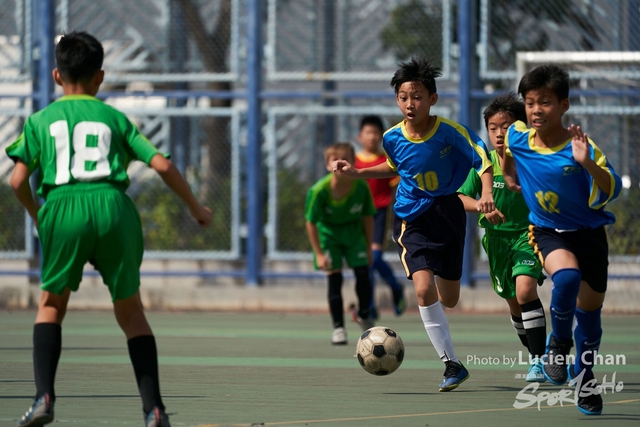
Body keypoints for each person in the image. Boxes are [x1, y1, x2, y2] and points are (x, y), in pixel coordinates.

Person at [6, 32, 212, 427]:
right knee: (131, 312)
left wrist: (38, 215)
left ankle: (43, 398)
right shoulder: (115, 118)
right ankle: (154, 410)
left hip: (63, 207)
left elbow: (17, 181)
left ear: (55, 75)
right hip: (114, 208)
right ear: (100, 77)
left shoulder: (39, 120)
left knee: (51, 305)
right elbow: (163, 166)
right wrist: (195, 207)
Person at [333, 57, 495, 392]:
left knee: (448, 298)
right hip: (412, 216)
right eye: (404, 97)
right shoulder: (392, 137)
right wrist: (358, 173)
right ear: (397, 100)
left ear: (432, 99)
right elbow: (395, 167)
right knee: (423, 289)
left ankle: (446, 339)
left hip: (448, 212)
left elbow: (483, 160)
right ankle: (451, 363)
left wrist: (488, 193)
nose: (410, 103)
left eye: (418, 96)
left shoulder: (450, 133)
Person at [501, 64, 622, 415]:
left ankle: (584, 377)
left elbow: (610, 187)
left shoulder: (580, 147)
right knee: (566, 277)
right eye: (530, 102)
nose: (537, 109)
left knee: (590, 316)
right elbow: (508, 156)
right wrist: (510, 177)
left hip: (589, 236)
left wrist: (589, 165)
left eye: (546, 102)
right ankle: (558, 345)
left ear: (564, 105)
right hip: (547, 231)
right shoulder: (517, 137)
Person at [457, 93, 547, 382]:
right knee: (513, 302)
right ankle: (540, 354)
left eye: (506, 126)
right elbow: (459, 198)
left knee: (525, 291)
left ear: (520, 129)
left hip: (528, 235)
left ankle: (538, 362)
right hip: (496, 241)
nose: (499, 133)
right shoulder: (483, 165)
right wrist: (480, 205)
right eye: (493, 127)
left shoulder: (530, 162)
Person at [305, 142, 376, 345]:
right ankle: (338, 328)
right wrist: (318, 253)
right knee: (334, 279)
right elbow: (310, 222)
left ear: (352, 163)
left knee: (362, 273)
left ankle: (364, 315)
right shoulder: (319, 190)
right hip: (329, 236)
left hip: (354, 235)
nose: (339, 165)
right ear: (327, 165)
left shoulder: (361, 187)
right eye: (334, 161)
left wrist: (369, 245)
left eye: (344, 160)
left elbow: (368, 217)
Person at [354, 115, 406, 319]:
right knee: (363, 262)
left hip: (378, 214)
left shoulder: (386, 161)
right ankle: (370, 305)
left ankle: (395, 288)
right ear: (360, 136)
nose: (372, 137)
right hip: (357, 216)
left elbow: (395, 188)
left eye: (376, 133)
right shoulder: (355, 162)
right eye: (368, 132)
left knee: (373, 258)